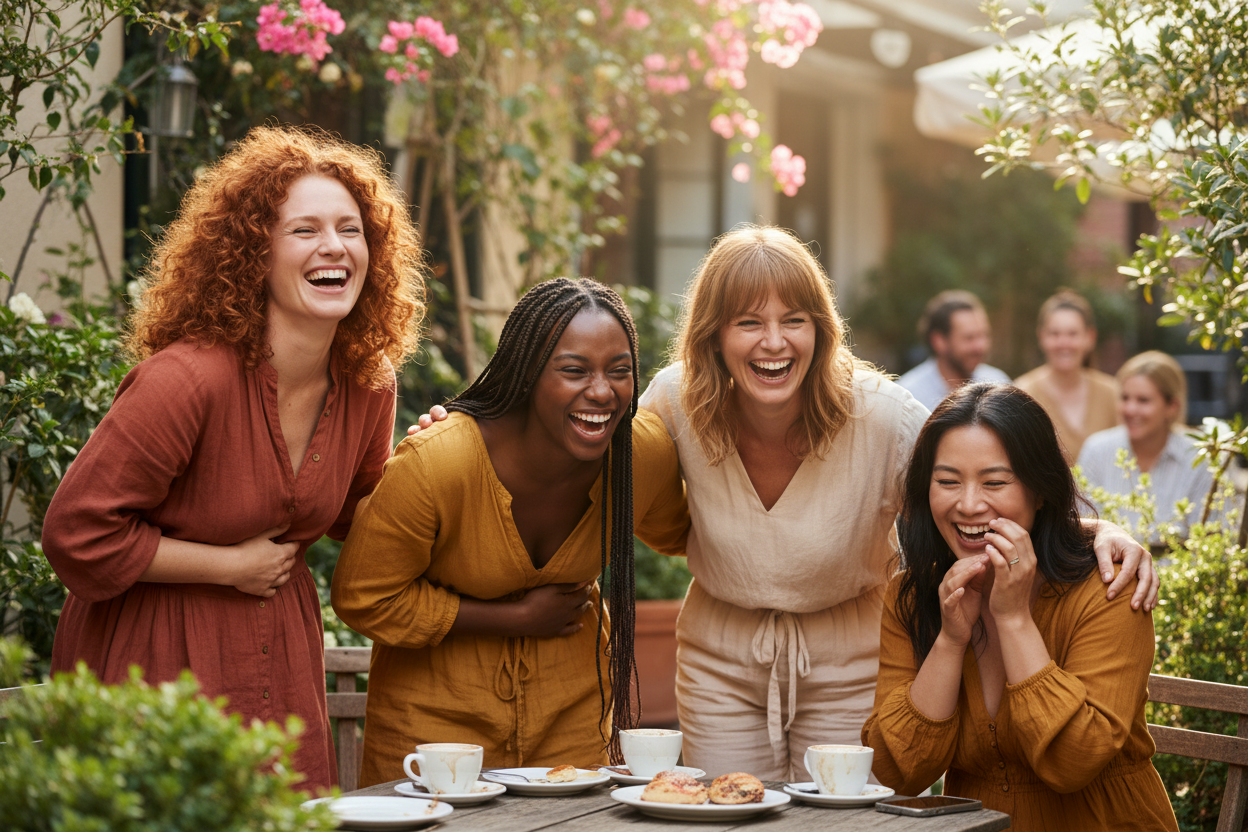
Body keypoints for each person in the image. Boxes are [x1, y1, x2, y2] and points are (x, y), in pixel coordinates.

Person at [410, 227, 1158, 781]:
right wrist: (463, 429)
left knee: (842, 824)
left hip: (849, 651)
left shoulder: (882, 414)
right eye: (748, 322)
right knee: (727, 816)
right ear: (714, 335)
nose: (774, 342)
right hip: (723, 654)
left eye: (793, 320)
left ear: (820, 329)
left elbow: (982, 479)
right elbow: (572, 423)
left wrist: (1092, 528)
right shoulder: (672, 401)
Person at [41, 126, 425, 792]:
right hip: (153, 659)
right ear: (256, 253)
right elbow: (75, 533)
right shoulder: (186, 379)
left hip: (280, 656)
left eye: (350, 229)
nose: (333, 246)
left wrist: (430, 462)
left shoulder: (370, 381)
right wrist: (228, 565)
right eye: (304, 231)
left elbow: (358, 516)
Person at [331, 278, 688, 787]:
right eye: (573, 370)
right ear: (526, 376)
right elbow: (363, 596)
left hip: (572, 716)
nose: (602, 391)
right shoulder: (439, 462)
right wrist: (513, 617)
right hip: (435, 726)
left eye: (620, 371)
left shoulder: (639, 457)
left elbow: (691, 532)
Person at [863, 383, 1178, 830]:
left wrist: (1012, 618)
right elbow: (900, 771)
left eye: (995, 482)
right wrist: (951, 640)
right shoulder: (913, 597)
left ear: (1041, 488)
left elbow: (1074, 761)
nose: (969, 505)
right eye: (948, 481)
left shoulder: (1109, 586)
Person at [1077, 351, 1215, 544]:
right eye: (1125, 398)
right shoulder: (1097, 451)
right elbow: (1077, 531)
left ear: (1172, 406)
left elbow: (1213, 542)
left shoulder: (1200, 458)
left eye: (1143, 400)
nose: (1130, 409)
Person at [1014, 290, 1119, 461]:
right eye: (1054, 334)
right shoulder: (1022, 394)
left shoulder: (1112, 393)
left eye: (1072, 334)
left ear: (1090, 337)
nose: (1063, 343)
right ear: (1041, 336)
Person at [897, 290, 1010, 412]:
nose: (980, 346)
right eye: (969, 338)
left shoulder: (1000, 384)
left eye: (983, 335)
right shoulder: (909, 397)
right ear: (938, 341)